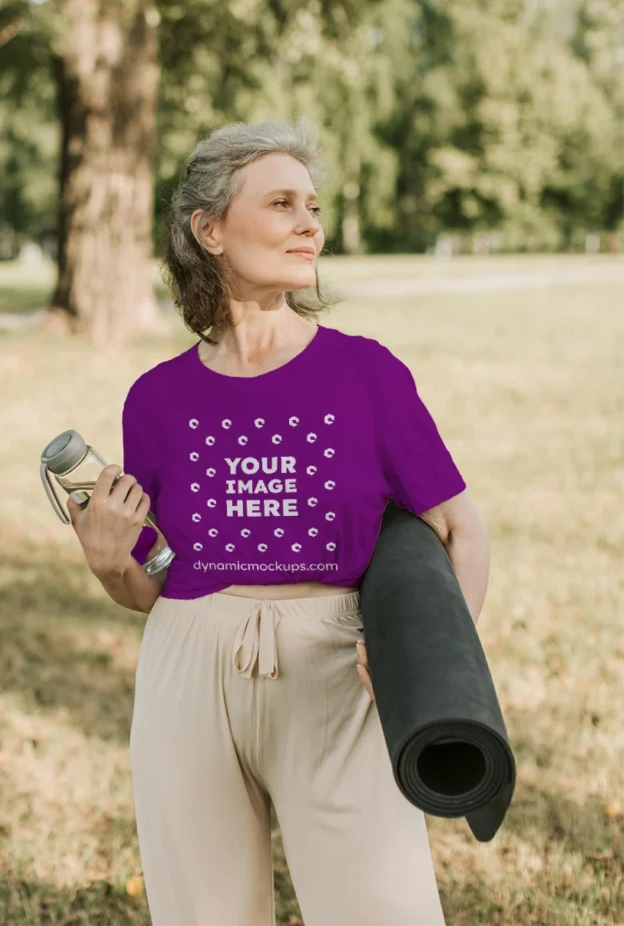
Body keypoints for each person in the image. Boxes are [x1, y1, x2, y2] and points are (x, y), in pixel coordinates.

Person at [68, 119, 482, 926]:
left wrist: (432, 667)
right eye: (282, 203)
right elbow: (151, 586)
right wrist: (109, 560)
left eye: (313, 207)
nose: (309, 225)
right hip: (187, 662)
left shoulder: (366, 373)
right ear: (210, 229)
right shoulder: (155, 398)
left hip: (336, 663)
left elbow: (461, 526)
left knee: (382, 909)